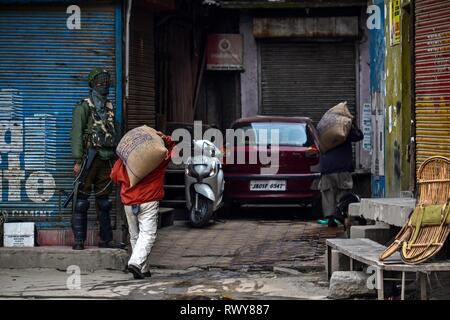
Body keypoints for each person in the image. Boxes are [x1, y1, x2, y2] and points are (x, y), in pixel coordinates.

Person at [110, 131, 175, 279]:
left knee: (135, 236)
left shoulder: (126, 160)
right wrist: (166, 139)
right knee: (148, 235)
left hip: (129, 201)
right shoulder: (159, 160)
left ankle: (143, 269)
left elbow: (113, 175)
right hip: (148, 200)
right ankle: (136, 262)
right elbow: (173, 150)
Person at [70, 68, 117, 250]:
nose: (104, 85)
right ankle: (79, 240)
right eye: (100, 81)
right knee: (81, 201)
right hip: (89, 157)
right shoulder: (83, 107)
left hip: (106, 158)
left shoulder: (110, 107)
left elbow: (115, 132)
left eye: (106, 81)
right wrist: (78, 160)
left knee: (104, 202)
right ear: (92, 84)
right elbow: (76, 134)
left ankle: (106, 239)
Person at [318, 119, 363, 228]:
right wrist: (354, 125)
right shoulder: (345, 129)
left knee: (328, 194)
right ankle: (340, 215)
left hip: (327, 168)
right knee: (343, 193)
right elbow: (359, 136)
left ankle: (331, 219)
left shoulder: (324, 130)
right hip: (342, 167)